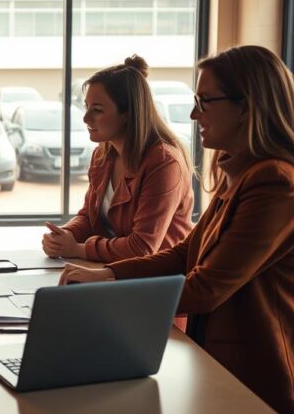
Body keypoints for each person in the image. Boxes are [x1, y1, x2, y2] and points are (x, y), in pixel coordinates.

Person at [60, 46, 294, 414]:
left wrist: (107, 288)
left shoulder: (276, 185)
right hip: (227, 364)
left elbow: (206, 289)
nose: (194, 116)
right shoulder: (244, 175)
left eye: (204, 102)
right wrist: (105, 273)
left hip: (270, 391)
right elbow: (183, 255)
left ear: (246, 107)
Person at [42, 55, 193, 263]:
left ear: (127, 114)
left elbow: (142, 248)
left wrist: (77, 249)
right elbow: (89, 217)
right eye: (86, 107)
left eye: (97, 110)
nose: (86, 118)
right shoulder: (102, 155)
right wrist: (63, 237)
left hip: (159, 279)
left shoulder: (164, 163)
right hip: (114, 270)